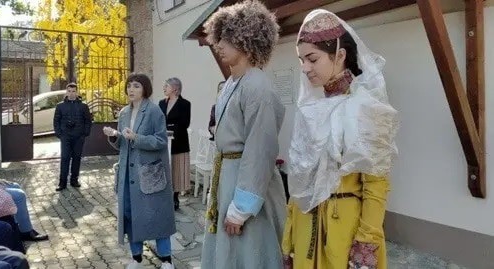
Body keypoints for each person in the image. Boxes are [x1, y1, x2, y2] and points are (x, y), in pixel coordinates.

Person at [282, 10, 399, 269]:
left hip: (343, 231)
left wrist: (366, 242)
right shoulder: (311, 111)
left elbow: (376, 184)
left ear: (340, 55)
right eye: (301, 60)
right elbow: (300, 181)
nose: (305, 68)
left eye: (312, 59)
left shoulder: (367, 109)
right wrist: (289, 236)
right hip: (305, 228)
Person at [200, 1, 287, 268]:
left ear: (247, 39)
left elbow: (261, 150)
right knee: (228, 255)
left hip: (245, 186)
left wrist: (242, 208)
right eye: (219, 37)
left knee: (250, 254)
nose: (219, 44)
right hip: (227, 177)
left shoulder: (257, 86)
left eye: (227, 38)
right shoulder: (232, 83)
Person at [103, 73, 176, 269]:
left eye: (136, 86)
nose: (131, 89)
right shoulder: (124, 113)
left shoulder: (154, 112)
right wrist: (114, 136)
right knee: (130, 215)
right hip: (128, 174)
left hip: (150, 174)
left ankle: (167, 259)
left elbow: (161, 141)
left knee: (158, 216)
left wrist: (137, 137)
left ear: (145, 89)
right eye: (129, 86)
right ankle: (136, 258)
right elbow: (123, 145)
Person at [159, 77, 191, 210]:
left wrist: (169, 129)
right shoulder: (161, 103)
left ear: (175, 88)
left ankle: (175, 197)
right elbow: (158, 120)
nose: (164, 88)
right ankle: (164, 195)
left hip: (179, 142)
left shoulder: (185, 104)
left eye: (166, 86)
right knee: (165, 169)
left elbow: (184, 123)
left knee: (177, 170)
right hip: (162, 142)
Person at [53, 82, 92, 191]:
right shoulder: (60, 106)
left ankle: (74, 180)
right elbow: (56, 121)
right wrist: (59, 134)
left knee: (76, 158)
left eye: (73, 91)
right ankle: (62, 183)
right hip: (65, 137)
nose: (71, 93)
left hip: (78, 137)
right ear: (66, 92)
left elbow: (88, 121)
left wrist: (85, 133)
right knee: (65, 158)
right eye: (69, 91)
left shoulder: (83, 106)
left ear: (77, 92)